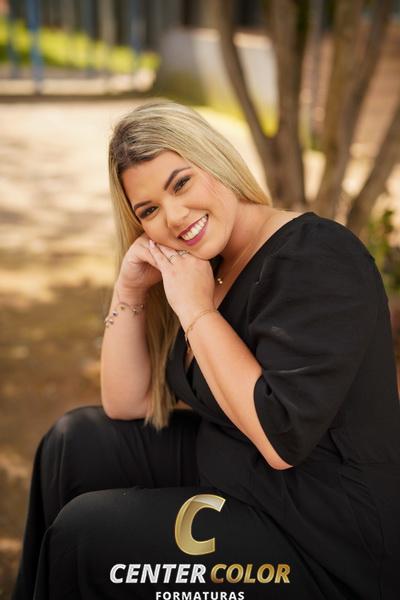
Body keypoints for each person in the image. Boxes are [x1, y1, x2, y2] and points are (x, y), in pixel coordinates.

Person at [12, 99, 400, 600]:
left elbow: (281, 439)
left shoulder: (316, 255)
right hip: (234, 476)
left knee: (86, 537)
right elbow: (126, 403)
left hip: (324, 538)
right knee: (74, 443)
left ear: (216, 162)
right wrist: (130, 290)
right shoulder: (204, 265)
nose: (174, 217)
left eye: (181, 183)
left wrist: (197, 312)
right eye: (149, 210)